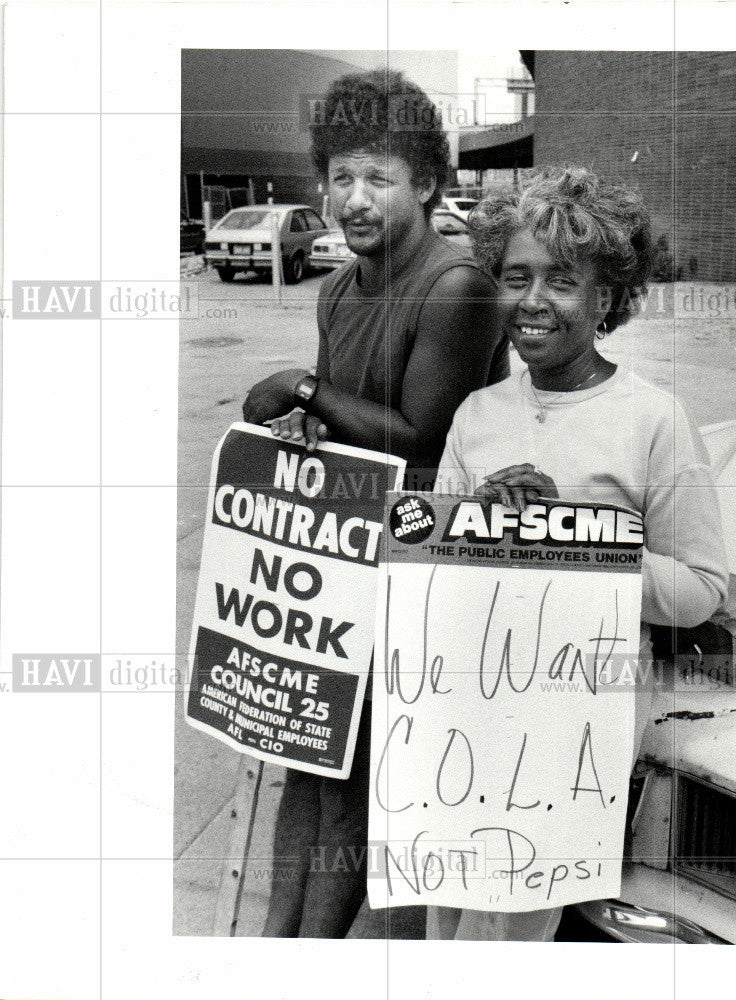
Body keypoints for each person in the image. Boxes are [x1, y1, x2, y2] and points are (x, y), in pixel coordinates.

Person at [242, 69, 510, 938]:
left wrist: (307, 388)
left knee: (361, 787)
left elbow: (418, 443)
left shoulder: (455, 286)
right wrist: (297, 426)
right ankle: (272, 951)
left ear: (427, 183)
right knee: (303, 761)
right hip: (338, 560)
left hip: (415, 572)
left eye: (378, 179)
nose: (352, 199)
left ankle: (316, 957)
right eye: (340, 177)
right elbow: (347, 431)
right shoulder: (335, 287)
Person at [430, 165, 729, 941]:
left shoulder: (653, 419)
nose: (531, 301)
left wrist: (580, 538)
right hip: (470, 703)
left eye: (561, 281)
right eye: (515, 276)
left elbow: (700, 589)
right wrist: (473, 520)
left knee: (506, 937)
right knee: (448, 918)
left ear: (607, 300)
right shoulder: (477, 412)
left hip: (572, 726)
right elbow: (433, 573)